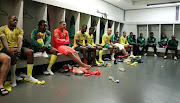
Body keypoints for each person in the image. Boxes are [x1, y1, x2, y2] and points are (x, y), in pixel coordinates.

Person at [0, 15, 40, 87]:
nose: (15, 21)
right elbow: (3, 40)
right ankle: (13, 77)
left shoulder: (19, 30)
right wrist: (8, 50)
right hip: (5, 48)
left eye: (16, 20)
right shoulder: (2, 29)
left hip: (16, 48)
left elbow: (20, 40)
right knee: (14, 52)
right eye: (14, 20)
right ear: (9, 20)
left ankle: (29, 76)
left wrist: (19, 49)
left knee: (30, 52)